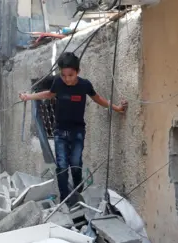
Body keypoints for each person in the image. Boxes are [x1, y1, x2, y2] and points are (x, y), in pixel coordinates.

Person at [19, 52, 128, 203]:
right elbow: (48, 94)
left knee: (76, 163)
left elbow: (98, 99)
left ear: (78, 71)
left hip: (77, 132)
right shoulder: (58, 82)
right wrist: (28, 97)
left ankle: (78, 193)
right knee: (62, 166)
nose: (67, 79)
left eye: (70, 75)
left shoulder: (85, 85)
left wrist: (117, 108)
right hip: (60, 132)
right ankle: (65, 200)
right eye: (63, 75)